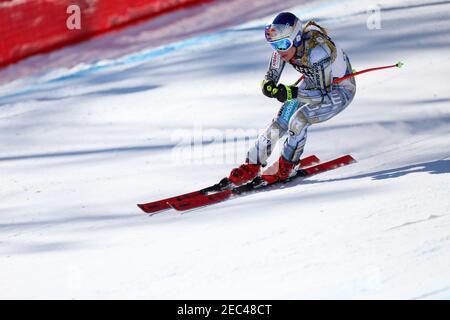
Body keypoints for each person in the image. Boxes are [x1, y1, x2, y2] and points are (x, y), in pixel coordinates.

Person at [227, 12, 356, 186]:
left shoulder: (318, 53)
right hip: (312, 84)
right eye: (274, 45)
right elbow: (271, 75)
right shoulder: (284, 48)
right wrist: (268, 85)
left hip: (339, 91)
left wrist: (291, 93)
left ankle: (287, 165)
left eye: (282, 44)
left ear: (296, 39)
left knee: (298, 120)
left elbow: (322, 95)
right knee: (280, 121)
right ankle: (252, 164)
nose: (279, 50)